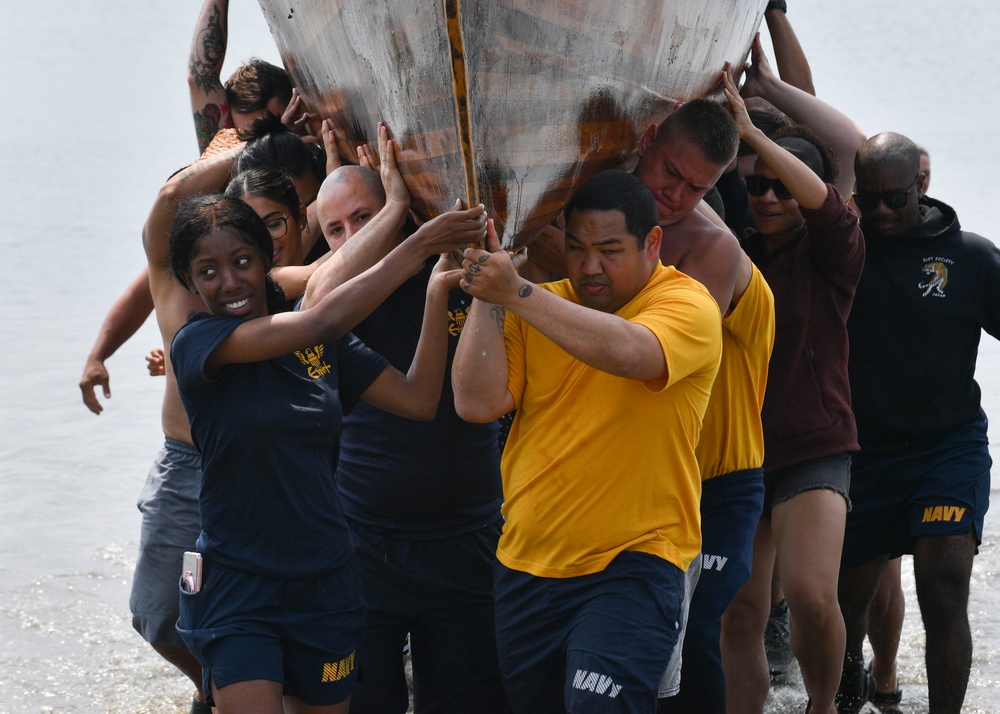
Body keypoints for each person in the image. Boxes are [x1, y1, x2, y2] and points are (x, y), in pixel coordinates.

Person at [165, 189, 463, 712]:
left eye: (241, 262)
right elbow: (321, 319)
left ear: (266, 259)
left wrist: (436, 294)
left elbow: (418, 398)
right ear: (190, 282)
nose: (230, 282)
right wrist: (417, 245)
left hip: (324, 584)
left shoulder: (319, 346)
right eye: (208, 272)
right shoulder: (198, 345)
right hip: (238, 585)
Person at [452, 170, 722, 712]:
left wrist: (517, 291)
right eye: (576, 249)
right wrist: (487, 290)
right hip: (526, 563)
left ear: (652, 243)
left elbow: (630, 354)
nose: (589, 267)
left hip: (636, 562)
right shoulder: (536, 305)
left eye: (609, 250)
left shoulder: (687, 304)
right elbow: (475, 404)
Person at [720, 67, 864, 714]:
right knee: (739, 612)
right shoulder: (731, 250)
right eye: (757, 187)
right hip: (743, 449)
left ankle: (823, 706)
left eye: (782, 188)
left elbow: (835, 188)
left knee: (810, 594)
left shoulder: (834, 249)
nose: (768, 198)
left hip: (816, 443)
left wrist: (755, 126)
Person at [837, 132, 998, 714]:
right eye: (869, 199)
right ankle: (846, 689)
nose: (880, 213)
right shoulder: (842, 250)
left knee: (945, 585)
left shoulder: (972, 258)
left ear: (921, 186)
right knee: (846, 608)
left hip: (946, 447)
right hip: (862, 453)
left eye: (894, 200)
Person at [630, 98, 775, 714]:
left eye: (696, 187)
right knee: (646, 641)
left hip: (721, 481)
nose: (675, 193)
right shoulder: (615, 229)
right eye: (670, 173)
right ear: (647, 138)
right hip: (654, 479)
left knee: (701, 633)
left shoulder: (713, 249)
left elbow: (662, 355)